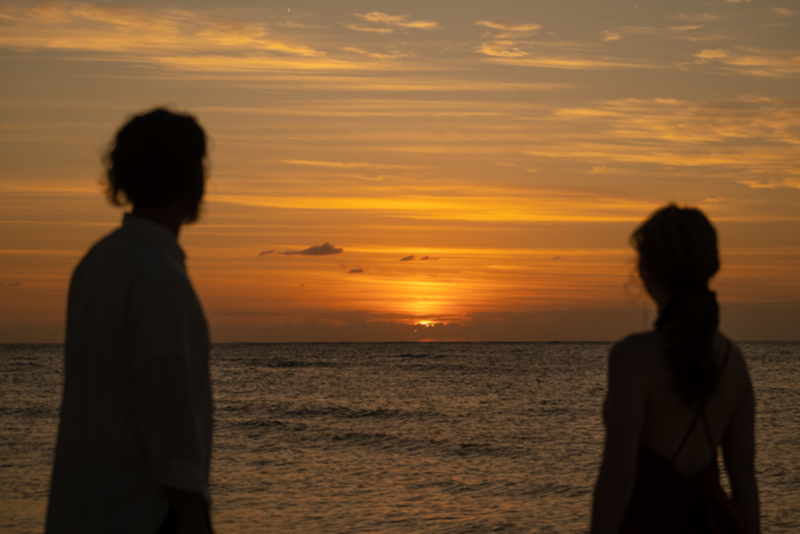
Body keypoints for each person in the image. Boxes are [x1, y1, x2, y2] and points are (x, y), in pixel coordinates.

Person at [46, 108, 213, 534]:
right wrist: (193, 520)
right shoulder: (160, 279)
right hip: (145, 516)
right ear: (190, 180)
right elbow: (171, 421)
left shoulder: (96, 263)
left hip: (83, 511)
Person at [590, 205, 759, 533]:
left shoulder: (632, 357)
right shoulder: (733, 360)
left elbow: (619, 475)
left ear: (649, 271)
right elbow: (743, 477)